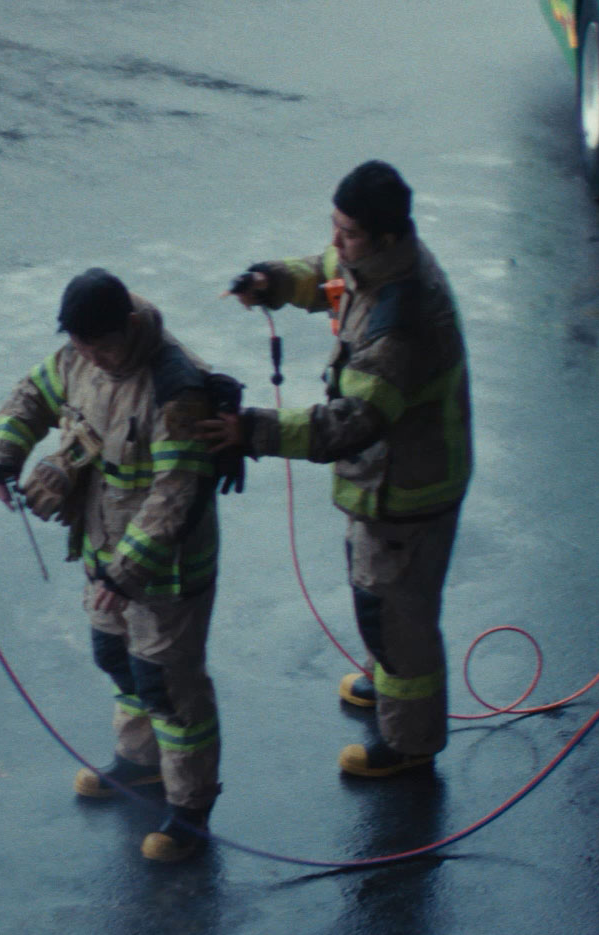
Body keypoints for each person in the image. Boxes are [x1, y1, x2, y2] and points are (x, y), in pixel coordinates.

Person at [203, 160, 473, 778]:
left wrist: (251, 431)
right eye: (334, 226)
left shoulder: (404, 323)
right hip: (385, 481)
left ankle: (410, 744)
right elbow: (325, 273)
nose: (334, 242)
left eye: (346, 232)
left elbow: (346, 425)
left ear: (384, 237)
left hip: (409, 491)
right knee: (378, 596)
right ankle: (392, 683)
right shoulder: (375, 260)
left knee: (398, 616)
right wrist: (271, 281)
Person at [0, 269, 224, 862]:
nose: (90, 358)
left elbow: (176, 495)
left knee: (169, 689)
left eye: (101, 347)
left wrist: (125, 573)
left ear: (131, 328)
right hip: (103, 550)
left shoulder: (175, 388)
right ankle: (140, 763)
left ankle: (191, 810)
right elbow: (34, 394)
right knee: (115, 656)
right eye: (81, 347)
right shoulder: (83, 352)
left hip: (163, 571)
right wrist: (2, 455)